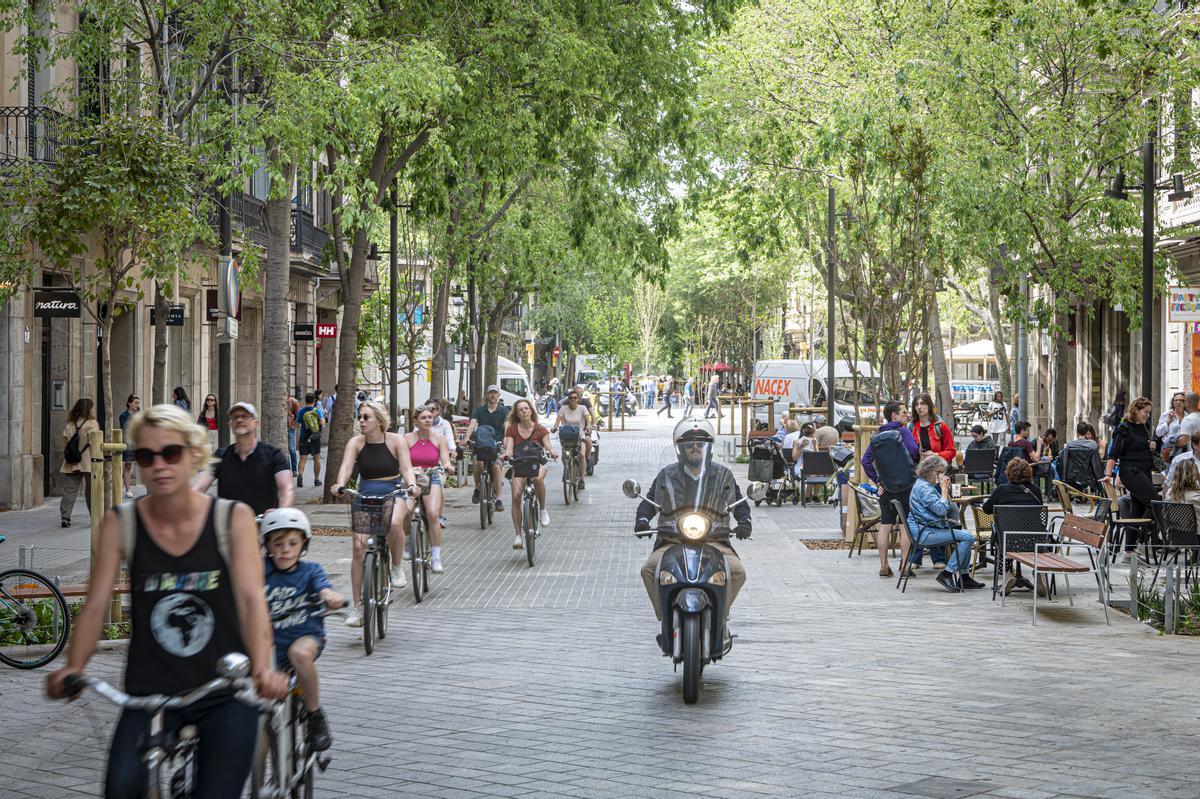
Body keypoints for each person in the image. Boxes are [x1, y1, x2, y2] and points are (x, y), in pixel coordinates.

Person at [45, 403, 288, 797]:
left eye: (170, 453)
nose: (159, 465)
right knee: (122, 787)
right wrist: (72, 668)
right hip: (148, 693)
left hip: (222, 690)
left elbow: (250, 601)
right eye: (145, 455)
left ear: (194, 455)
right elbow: (94, 605)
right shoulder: (122, 522)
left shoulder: (232, 519)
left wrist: (263, 668)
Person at [636, 418, 750, 638]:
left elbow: (738, 502)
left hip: (714, 539)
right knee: (649, 570)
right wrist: (642, 519)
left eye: (701, 444)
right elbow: (650, 500)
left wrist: (745, 522)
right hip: (673, 539)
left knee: (737, 572)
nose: (695, 448)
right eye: (689, 444)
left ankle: (720, 618)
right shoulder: (666, 475)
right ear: (680, 449)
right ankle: (666, 618)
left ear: (709, 448)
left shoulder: (722, 475)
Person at [259, 508, 344, 752]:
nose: (285, 549)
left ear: (303, 544)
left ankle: (314, 714)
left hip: (304, 636)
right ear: (267, 544)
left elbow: (323, 587)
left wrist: (330, 595)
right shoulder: (259, 569)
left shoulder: (310, 570)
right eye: (278, 543)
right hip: (268, 646)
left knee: (300, 654)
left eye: (292, 543)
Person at [330, 401, 419, 625]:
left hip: (393, 491)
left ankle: (397, 567)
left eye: (366, 417)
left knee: (396, 523)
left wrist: (411, 484)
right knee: (358, 548)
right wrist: (340, 484)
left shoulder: (396, 441)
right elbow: (346, 466)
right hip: (364, 494)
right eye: (360, 417)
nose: (361, 421)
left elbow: (406, 467)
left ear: (379, 421)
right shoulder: (356, 443)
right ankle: (359, 608)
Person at [193, 403, 293, 514]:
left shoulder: (274, 455)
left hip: (263, 525)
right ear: (230, 424)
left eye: (245, 416)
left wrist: (281, 512)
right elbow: (199, 485)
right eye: (235, 417)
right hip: (228, 526)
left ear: (255, 423)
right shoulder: (220, 456)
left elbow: (286, 489)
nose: (239, 420)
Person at [906, 455, 982, 592]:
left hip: (927, 528)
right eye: (939, 472)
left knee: (966, 536)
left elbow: (947, 508)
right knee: (968, 537)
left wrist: (944, 491)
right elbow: (941, 510)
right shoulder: (924, 488)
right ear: (930, 471)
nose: (942, 475)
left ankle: (964, 576)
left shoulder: (924, 484)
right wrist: (944, 489)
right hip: (925, 532)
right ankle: (947, 574)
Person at [861, 401, 920, 578]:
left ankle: (883, 565)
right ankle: (904, 565)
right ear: (894, 416)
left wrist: (878, 480)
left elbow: (865, 461)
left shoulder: (877, 437)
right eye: (903, 412)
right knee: (904, 526)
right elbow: (913, 450)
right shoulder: (903, 431)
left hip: (885, 488)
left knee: (885, 525)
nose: (907, 415)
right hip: (906, 486)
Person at [1104, 396, 1159, 561]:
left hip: (1144, 471)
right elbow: (1113, 453)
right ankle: (1143, 541)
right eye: (1145, 412)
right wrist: (1108, 474)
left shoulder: (1143, 427)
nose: (1147, 415)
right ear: (1136, 410)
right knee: (1155, 503)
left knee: (1138, 508)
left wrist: (1151, 447)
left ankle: (1129, 550)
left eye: (1149, 413)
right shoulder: (1124, 427)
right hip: (1131, 472)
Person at [981, 458, 1043, 596]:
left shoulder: (1001, 490)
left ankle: (1008, 574)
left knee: (1001, 535)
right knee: (1019, 534)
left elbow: (986, 509)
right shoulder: (1036, 490)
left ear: (1009, 473)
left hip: (1008, 541)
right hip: (1035, 541)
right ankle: (1038, 573)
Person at [504, 398, 559, 547]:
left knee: (537, 479)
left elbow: (548, 446)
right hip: (520, 464)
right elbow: (509, 448)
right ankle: (517, 536)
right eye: (520, 409)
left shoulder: (540, 429)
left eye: (526, 408)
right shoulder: (512, 429)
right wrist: (506, 455)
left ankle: (542, 509)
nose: (524, 411)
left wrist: (553, 452)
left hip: (537, 463)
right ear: (517, 413)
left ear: (531, 411)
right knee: (516, 496)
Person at [404, 406, 452, 573]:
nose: (427, 420)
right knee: (406, 509)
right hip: (412, 478)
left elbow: (445, 460)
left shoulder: (439, 439)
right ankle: (408, 540)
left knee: (433, 514)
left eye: (430, 417)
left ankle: (436, 557)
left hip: (432, 477)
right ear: (416, 421)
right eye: (423, 417)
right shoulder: (407, 439)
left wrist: (448, 466)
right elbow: (402, 462)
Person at [466, 385, 508, 511]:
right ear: (486, 395)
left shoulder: (504, 410)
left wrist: (506, 438)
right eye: (490, 393)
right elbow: (472, 424)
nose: (492, 395)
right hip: (482, 443)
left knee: (496, 466)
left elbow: (507, 426)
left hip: (497, 443)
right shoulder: (479, 410)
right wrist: (467, 438)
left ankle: (499, 499)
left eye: (495, 393)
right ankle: (478, 488)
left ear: (498, 396)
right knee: (478, 464)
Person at [61, 397, 100, 527]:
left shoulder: (70, 424)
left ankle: (65, 517)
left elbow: (66, 443)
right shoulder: (92, 424)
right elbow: (95, 442)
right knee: (91, 491)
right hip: (89, 461)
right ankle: (95, 517)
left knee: (69, 490)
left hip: (72, 461)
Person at [553, 388, 593, 488]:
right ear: (568, 399)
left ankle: (581, 479)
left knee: (582, 455)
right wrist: (554, 428)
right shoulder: (563, 409)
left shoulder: (583, 408)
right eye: (570, 398)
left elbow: (587, 421)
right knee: (565, 456)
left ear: (578, 399)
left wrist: (588, 426)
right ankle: (567, 469)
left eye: (575, 398)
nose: (573, 400)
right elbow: (557, 422)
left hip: (580, 435)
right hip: (567, 435)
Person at [1057, 421, 1105, 493]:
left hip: (1072, 476)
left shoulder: (1069, 445)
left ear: (1077, 432)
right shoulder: (1093, 445)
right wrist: (1100, 482)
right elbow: (1096, 465)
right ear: (1086, 432)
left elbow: (1061, 462)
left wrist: (1064, 478)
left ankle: (1078, 489)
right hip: (1088, 477)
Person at [910, 393, 956, 466]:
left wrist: (936, 455)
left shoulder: (941, 426)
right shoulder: (912, 427)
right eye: (916, 404)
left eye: (922, 403)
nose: (919, 407)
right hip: (918, 470)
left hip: (937, 470)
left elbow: (951, 451)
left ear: (929, 405)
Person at [295, 392, 323, 488]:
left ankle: (300, 475)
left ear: (305, 400)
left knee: (303, 458)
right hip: (315, 438)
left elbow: (298, 424)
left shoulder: (301, 411)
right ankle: (316, 480)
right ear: (314, 401)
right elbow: (323, 422)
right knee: (316, 459)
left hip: (304, 437)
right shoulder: (317, 411)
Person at [119, 395, 140, 499]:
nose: (137, 405)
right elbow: (125, 429)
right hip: (129, 443)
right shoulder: (123, 416)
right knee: (128, 466)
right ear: (129, 404)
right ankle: (128, 489)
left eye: (138, 403)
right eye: (135, 403)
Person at [1156, 392, 1187, 459]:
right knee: (1168, 469)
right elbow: (1158, 433)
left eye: (1181, 400)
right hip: (1168, 449)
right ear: (1173, 402)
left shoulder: (1188, 416)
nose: (1178, 402)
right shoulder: (1166, 415)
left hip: (1185, 449)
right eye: (1176, 400)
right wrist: (1168, 421)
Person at [285, 392, 301, 477]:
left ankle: (294, 470)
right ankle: (286, 469)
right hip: (282, 428)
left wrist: (294, 424)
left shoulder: (294, 402)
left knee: (292, 449)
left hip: (290, 428)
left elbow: (297, 415)